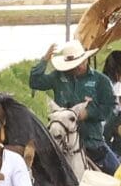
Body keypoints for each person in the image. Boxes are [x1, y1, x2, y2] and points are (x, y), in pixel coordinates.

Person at [29, 41, 116, 172]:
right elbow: (35, 82)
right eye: (73, 65)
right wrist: (45, 60)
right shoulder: (58, 76)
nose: (77, 67)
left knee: (116, 170)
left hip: (91, 140)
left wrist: (89, 113)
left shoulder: (101, 80)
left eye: (80, 63)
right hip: (60, 139)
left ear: (86, 59)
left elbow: (110, 108)